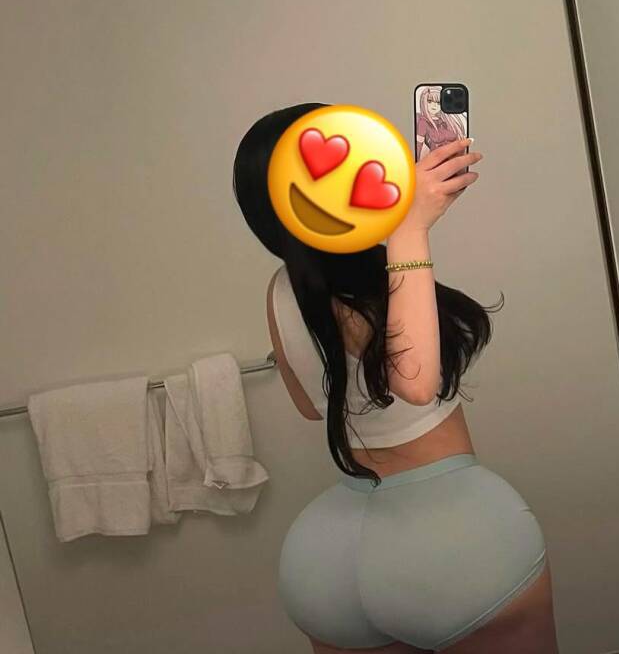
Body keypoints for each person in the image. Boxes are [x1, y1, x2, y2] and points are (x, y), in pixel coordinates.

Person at [232, 102, 559, 654]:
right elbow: (416, 382)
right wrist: (412, 228)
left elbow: (311, 404)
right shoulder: (389, 274)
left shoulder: (283, 288)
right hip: (453, 535)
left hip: (324, 556)